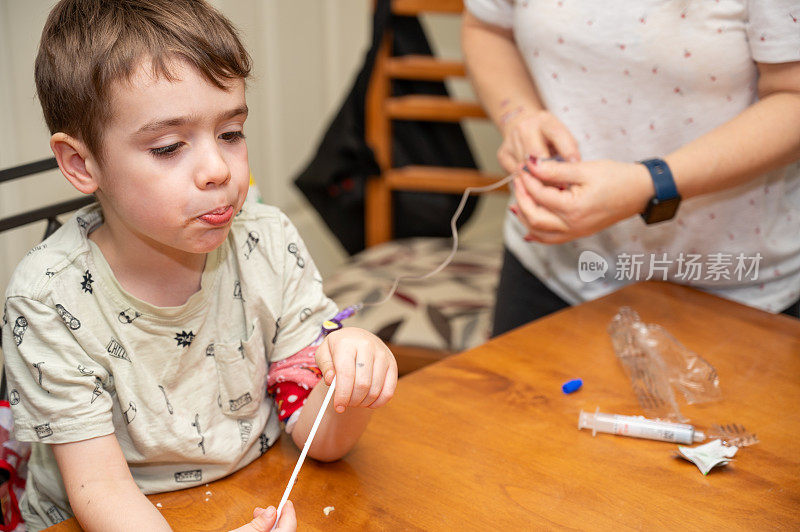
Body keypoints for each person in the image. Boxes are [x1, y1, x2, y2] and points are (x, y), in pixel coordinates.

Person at [0, 1, 398, 530]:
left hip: (250, 489)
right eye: (168, 147)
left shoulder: (268, 241)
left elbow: (320, 444)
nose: (217, 169)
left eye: (231, 133)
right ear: (82, 162)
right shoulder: (47, 298)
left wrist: (349, 386)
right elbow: (100, 492)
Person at [461, 0, 800, 336]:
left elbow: (793, 96)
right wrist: (517, 115)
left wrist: (651, 184)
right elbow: (486, 28)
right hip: (554, 272)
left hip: (744, 290)